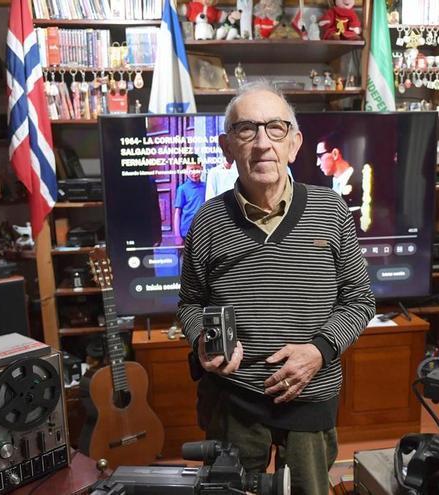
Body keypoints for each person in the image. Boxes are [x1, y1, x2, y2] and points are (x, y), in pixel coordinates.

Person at [178, 81, 375, 495]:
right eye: (246, 130)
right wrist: (200, 339)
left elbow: (360, 299)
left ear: (295, 143)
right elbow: (190, 303)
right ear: (227, 147)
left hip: (311, 396)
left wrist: (318, 351)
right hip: (234, 401)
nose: (262, 143)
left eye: (276, 129)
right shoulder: (208, 221)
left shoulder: (331, 209)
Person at [316, 133, 362, 213]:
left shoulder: (361, 183)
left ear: (335, 154)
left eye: (320, 156)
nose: (318, 163)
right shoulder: (325, 189)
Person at [174, 160, 207, 240]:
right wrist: (177, 236)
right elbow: (177, 213)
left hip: (203, 231)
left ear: (201, 169)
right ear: (185, 171)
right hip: (187, 232)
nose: (194, 173)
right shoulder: (182, 189)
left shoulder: (207, 186)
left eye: (196, 169)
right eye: (191, 170)